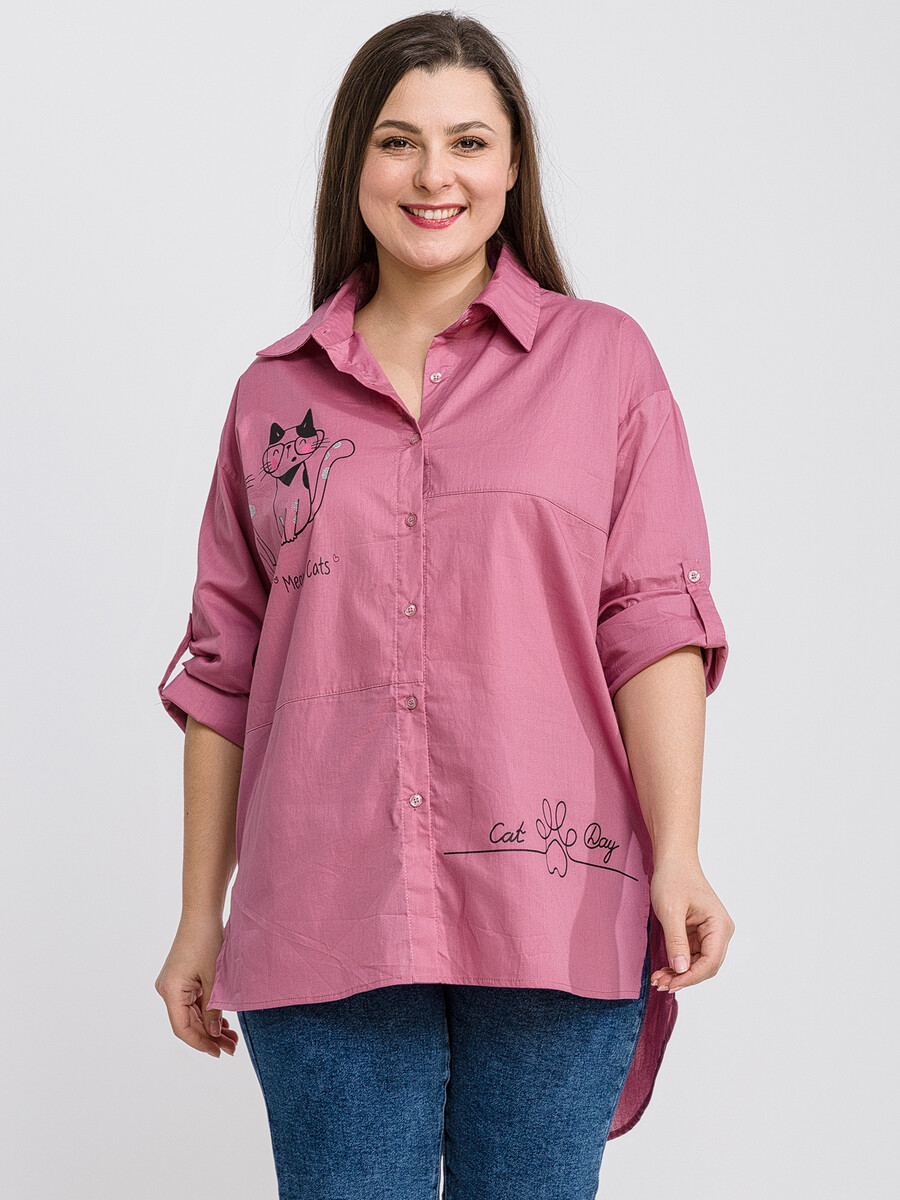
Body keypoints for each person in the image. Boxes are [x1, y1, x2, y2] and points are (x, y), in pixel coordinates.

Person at [154, 11, 735, 1199]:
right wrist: (196, 917)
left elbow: (652, 625)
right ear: (354, 166)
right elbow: (224, 671)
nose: (435, 176)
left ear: (512, 165)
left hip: (555, 899)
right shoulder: (272, 399)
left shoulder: (605, 364)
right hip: (321, 908)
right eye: (398, 142)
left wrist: (679, 854)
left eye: (469, 142)